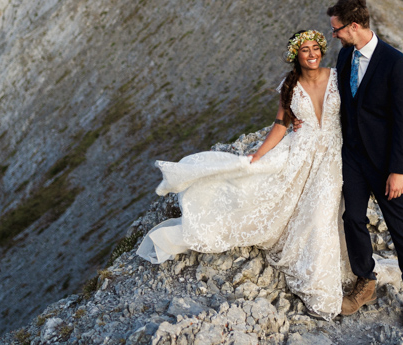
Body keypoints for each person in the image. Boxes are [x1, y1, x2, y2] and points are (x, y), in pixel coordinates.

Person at [136, 30, 346, 318]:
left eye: (316, 48)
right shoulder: (290, 84)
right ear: (296, 55)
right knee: (268, 195)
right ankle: (321, 291)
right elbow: (280, 126)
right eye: (305, 50)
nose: (312, 54)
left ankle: (323, 288)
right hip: (300, 152)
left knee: (322, 216)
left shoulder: (337, 76)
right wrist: (257, 156)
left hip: (333, 156)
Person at [329, 0, 403, 328]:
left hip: (386, 164)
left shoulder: (396, 63)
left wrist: (398, 170)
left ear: (354, 26)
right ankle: (365, 281)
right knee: (352, 217)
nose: (335, 36)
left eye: (337, 29)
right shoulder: (345, 57)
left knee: (401, 228)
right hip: (353, 158)